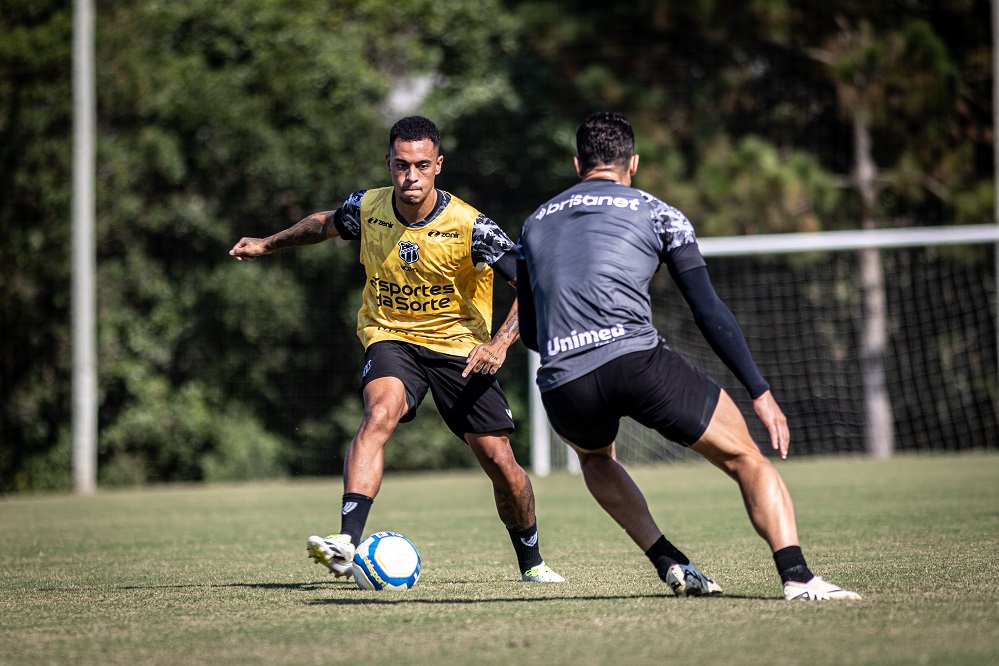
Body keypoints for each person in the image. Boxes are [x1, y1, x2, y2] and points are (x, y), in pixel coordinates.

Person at [515, 111, 860, 600]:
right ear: (631, 164)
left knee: (595, 458)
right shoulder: (658, 212)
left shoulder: (532, 223)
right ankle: (799, 578)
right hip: (637, 361)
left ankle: (669, 561)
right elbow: (708, 311)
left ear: (577, 164)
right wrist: (759, 390)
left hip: (564, 380)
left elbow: (532, 332)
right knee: (746, 457)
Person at [230, 116, 563, 583]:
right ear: (388, 163)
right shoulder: (367, 208)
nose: (411, 176)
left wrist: (499, 343)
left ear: (438, 166)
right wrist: (267, 244)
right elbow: (323, 224)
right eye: (402, 165)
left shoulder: (472, 226)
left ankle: (533, 564)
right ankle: (345, 541)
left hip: (460, 349)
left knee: (499, 461)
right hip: (391, 336)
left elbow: (533, 286)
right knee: (378, 413)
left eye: (422, 166)